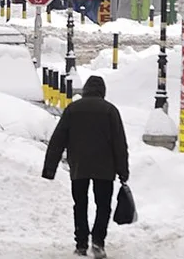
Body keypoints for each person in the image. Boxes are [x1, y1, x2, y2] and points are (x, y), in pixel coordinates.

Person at [42, 75, 129, 259]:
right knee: (103, 205)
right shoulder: (110, 111)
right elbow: (119, 144)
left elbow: (58, 139)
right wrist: (123, 171)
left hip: (79, 167)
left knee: (80, 204)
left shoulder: (73, 109)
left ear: (85, 90)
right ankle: (98, 241)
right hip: (105, 169)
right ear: (102, 92)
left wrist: (50, 168)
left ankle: (81, 243)